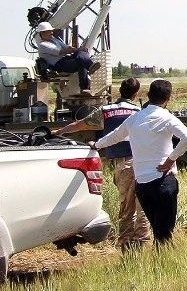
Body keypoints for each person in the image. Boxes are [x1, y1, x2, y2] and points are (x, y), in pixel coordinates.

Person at [90, 79, 187, 246]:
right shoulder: (167, 118)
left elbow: (114, 136)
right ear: (168, 99)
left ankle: (156, 261)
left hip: (143, 185)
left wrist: (96, 145)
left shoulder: (134, 119)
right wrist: (171, 159)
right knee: (164, 234)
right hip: (163, 180)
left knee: (159, 231)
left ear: (148, 96)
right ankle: (165, 264)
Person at [57, 78, 150, 251]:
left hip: (123, 165)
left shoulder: (106, 111)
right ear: (135, 94)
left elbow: (79, 125)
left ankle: (126, 248)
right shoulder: (139, 111)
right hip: (143, 163)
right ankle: (142, 245)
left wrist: (60, 131)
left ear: (119, 91)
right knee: (142, 206)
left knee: (127, 209)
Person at [35, 21, 98, 92]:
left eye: (51, 31)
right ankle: (85, 84)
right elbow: (61, 51)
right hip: (59, 65)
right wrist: (78, 49)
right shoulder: (43, 45)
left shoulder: (54, 40)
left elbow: (67, 48)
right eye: (49, 31)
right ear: (42, 33)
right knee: (80, 61)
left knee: (81, 53)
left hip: (65, 60)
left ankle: (89, 69)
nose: (51, 33)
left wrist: (80, 49)